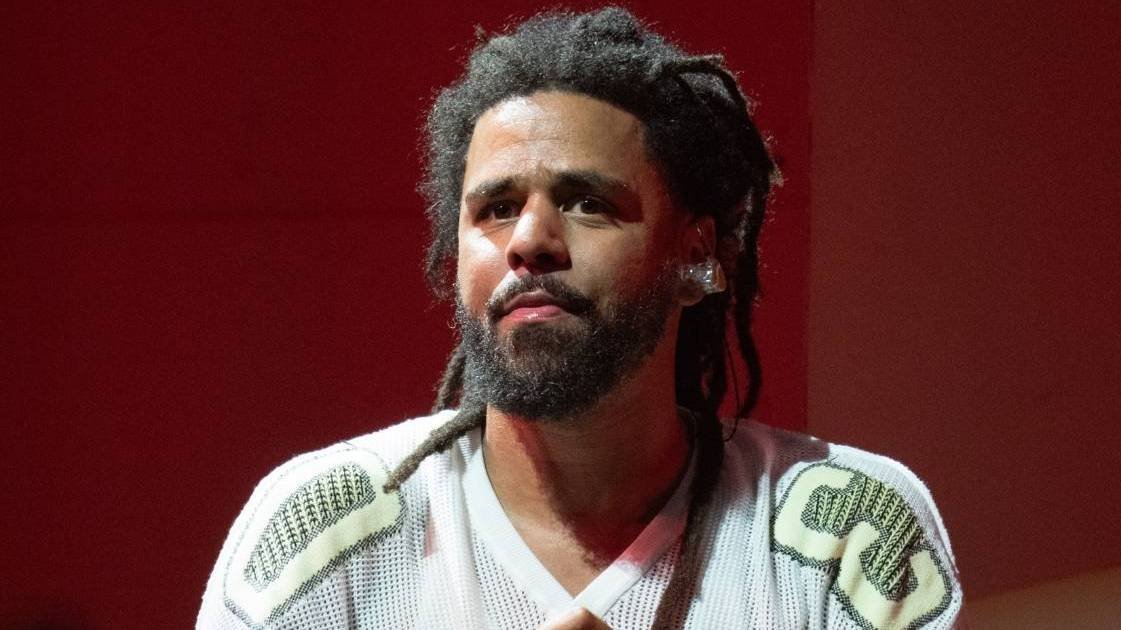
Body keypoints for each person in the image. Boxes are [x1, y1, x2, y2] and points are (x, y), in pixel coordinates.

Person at [197, 7, 962, 629]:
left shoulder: (844, 537)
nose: (529, 240)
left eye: (588, 203)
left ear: (696, 255)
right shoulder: (324, 535)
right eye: (496, 209)